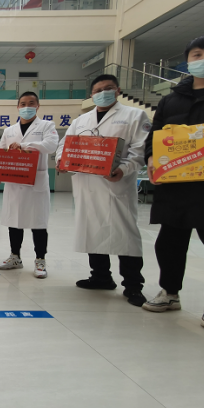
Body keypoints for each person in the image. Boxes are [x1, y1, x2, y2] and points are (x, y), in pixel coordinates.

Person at [142, 36, 204, 331]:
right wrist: (151, 158)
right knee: (169, 243)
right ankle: (169, 292)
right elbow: (154, 135)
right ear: (188, 61)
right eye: (197, 54)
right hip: (175, 184)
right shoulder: (171, 99)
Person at [55, 74, 150, 307]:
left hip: (115, 185)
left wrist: (123, 169)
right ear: (91, 95)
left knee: (125, 235)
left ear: (118, 90)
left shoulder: (135, 115)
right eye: (98, 90)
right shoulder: (81, 120)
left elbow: (140, 151)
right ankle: (100, 277)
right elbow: (65, 145)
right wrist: (61, 161)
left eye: (109, 88)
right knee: (93, 231)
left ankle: (133, 285)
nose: (103, 93)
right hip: (87, 185)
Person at [0, 92, 59, 278]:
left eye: (31, 103)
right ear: (18, 107)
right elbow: (0, 151)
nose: (26, 107)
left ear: (38, 106)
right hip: (14, 182)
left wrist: (24, 146)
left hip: (35, 183)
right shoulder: (9, 130)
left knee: (38, 223)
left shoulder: (47, 126)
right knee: (14, 222)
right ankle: (15, 257)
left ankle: (40, 260)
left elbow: (51, 145)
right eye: (23, 104)